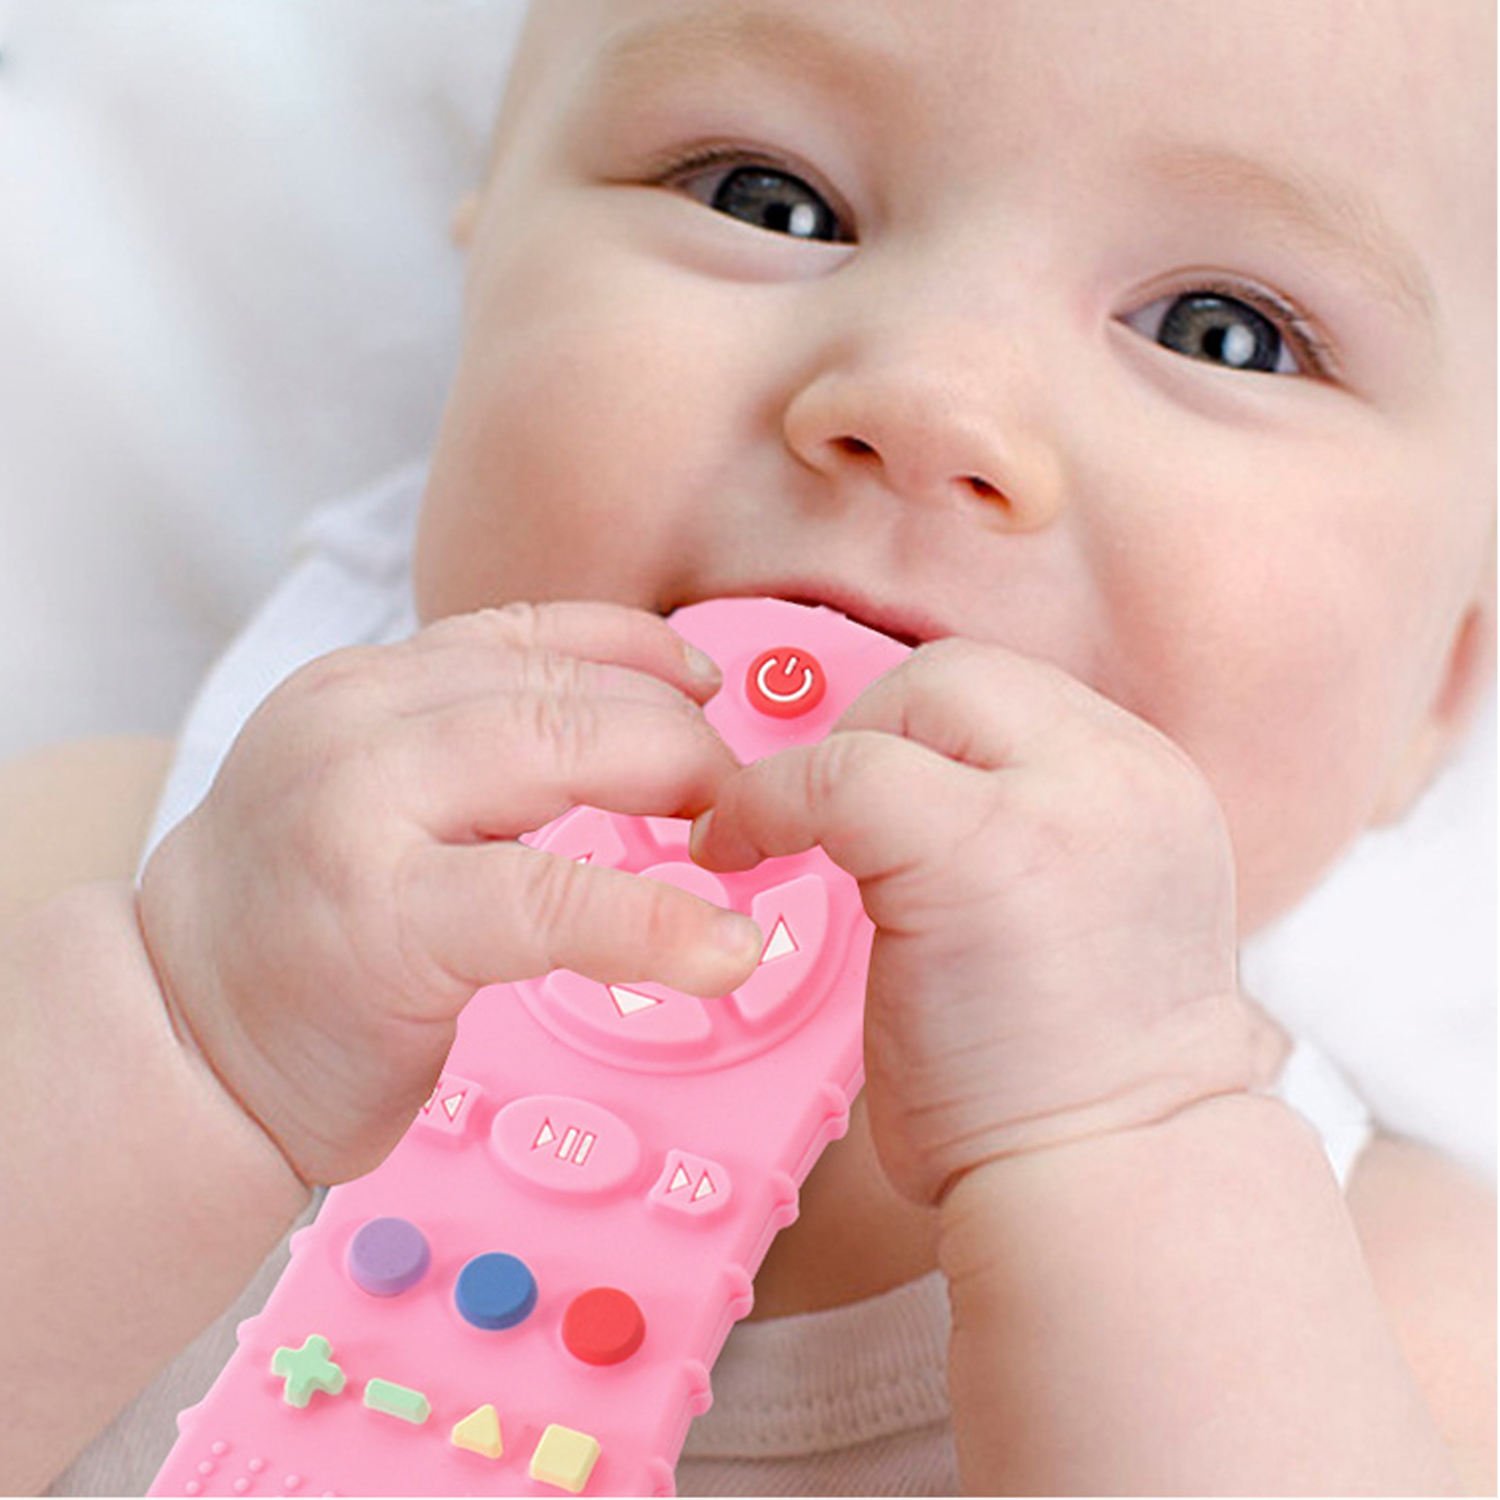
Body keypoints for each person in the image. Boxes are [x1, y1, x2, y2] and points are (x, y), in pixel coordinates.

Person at [3, 0, 1495, 1493]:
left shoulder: (1405, 1324)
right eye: (765, 199)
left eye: (1222, 334)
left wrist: (1123, 1154)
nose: (928, 402)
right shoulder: (118, 894)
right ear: (485, 277)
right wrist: (190, 1062)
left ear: (1442, 684)